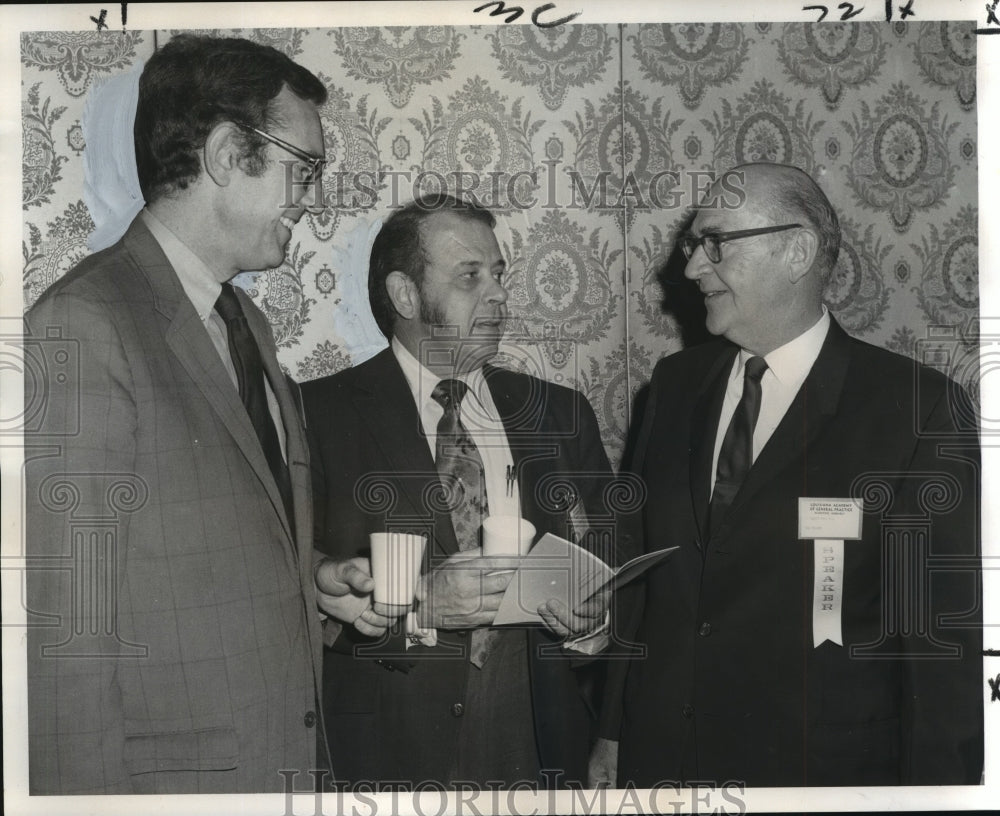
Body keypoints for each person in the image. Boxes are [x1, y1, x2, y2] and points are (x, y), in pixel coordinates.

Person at [24, 34, 390, 795]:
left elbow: (213, 539)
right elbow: (67, 637)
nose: (312, 197)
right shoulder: (82, 324)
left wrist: (314, 579)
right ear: (228, 152)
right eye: (303, 168)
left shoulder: (244, 323)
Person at [591, 162, 983, 787]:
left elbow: (936, 648)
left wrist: (939, 797)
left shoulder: (914, 409)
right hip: (659, 767)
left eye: (715, 243)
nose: (691, 268)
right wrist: (611, 733)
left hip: (814, 775)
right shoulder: (673, 387)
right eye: (694, 246)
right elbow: (640, 585)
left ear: (796, 250)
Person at [303, 195, 621, 788]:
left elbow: (612, 569)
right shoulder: (313, 415)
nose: (499, 295)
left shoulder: (557, 412)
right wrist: (418, 607)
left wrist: (590, 622)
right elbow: (291, 586)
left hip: (539, 737)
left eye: (499, 275)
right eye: (471, 276)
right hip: (386, 749)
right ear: (405, 295)